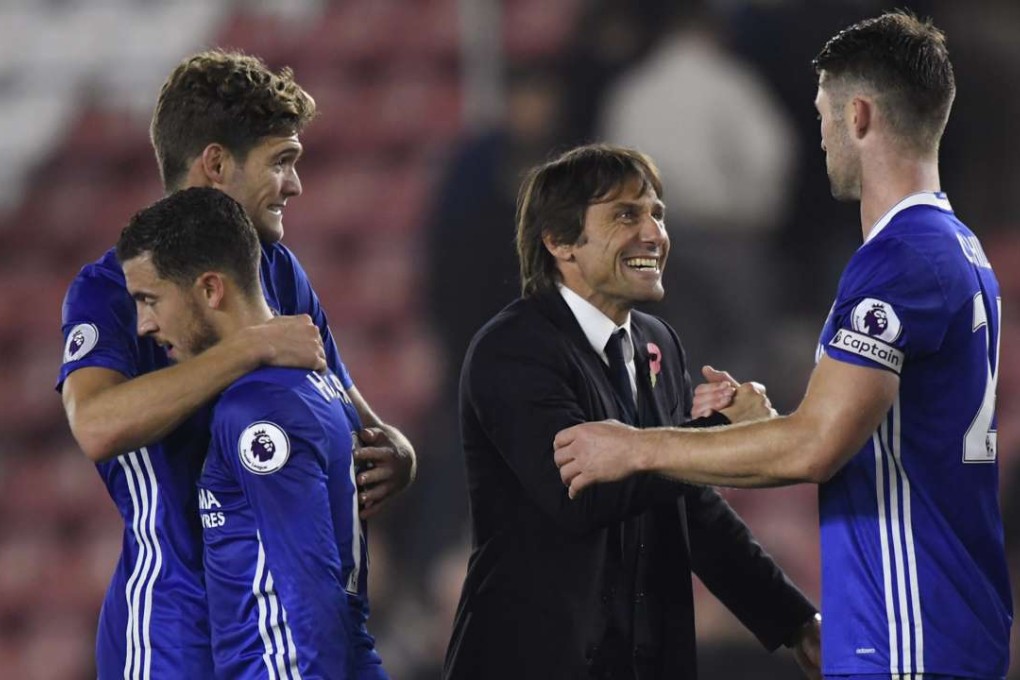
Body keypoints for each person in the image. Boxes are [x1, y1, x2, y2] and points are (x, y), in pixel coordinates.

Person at [554, 12, 1013, 680]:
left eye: (823, 115)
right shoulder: (958, 248)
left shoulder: (898, 262)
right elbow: (876, 441)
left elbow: (815, 448)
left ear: (859, 116)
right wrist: (766, 424)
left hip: (908, 634)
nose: (820, 135)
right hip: (938, 624)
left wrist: (635, 447)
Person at [58, 50, 415, 677]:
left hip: (268, 616)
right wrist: (246, 348)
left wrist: (396, 450)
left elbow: (342, 404)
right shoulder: (109, 290)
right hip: (170, 627)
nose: (294, 185)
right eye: (280, 161)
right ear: (217, 164)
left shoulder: (277, 269)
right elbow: (95, 424)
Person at [443, 143, 820, 680]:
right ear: (559, 241)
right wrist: (720, 430)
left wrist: (795, 622)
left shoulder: (658, 342)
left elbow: (692, 507)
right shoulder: (514, 349)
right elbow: (580, 496)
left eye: (657, 214)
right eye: (625, 215)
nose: (654, 234)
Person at [116, 187, 386, 679]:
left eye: (150, 300)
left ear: (210, 290)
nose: (143, 325)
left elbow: (309, 588)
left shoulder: (257, 409)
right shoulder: (313, 383)